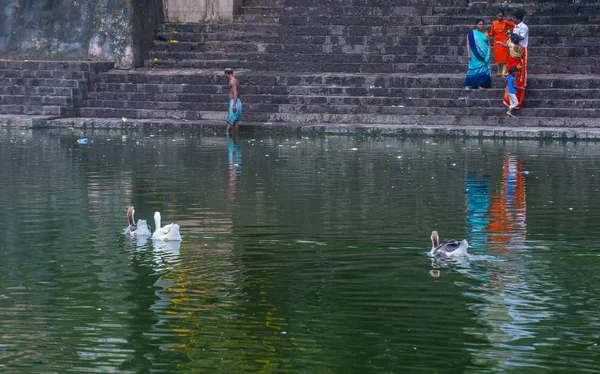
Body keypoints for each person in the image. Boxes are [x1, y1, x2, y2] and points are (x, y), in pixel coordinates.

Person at [497, 33, 526, 109]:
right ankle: (517, 99)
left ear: (512, 40)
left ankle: (509, 100)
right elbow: (523, 57)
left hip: (511, 65)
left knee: (510, 80)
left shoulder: (511, 45)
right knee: (517, 80)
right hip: (519, 65)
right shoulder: (522, 48)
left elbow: (505, 45)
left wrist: (499, 43)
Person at [465, 19, 492, 92]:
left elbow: (489, 44)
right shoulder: (471, 33)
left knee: (482, 70)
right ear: (476, 25)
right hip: (474, 54)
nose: (481, 26)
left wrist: (489, 52)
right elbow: (468, 44)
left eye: (482, 24)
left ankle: (480, 85)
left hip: (485, 54)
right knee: (472, 69)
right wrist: (468, 53)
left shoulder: (486, 34)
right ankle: (468, 85)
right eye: (479, 24)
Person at [489, 9, 514, 77]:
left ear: (503, 16)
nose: (500, 17)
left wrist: (508, 31)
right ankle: (499, 72)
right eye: (498, 16)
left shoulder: (505, 22)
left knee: (504, 58)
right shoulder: (494, 23)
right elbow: (492, 33)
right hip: (496, 42)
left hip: (504, 41)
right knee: (498, 58)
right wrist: (486, 34)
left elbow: (513, 25)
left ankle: (504, 73)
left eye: (501, 16)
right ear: (496, 16)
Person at [224, 68, 242, 133]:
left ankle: (233, 137)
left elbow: (235, 92)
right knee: (232, 120)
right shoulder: (236, 80)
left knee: (233, 121)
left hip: (234, 102)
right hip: (236, 101)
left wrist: (234, 104)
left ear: (226, 74)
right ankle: (231, 136)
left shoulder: (232, 81)